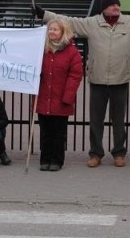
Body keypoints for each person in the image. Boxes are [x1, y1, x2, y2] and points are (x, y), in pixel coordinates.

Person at [35, 0, 130, 168]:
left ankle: (119, 152)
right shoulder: (92, 24)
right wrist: (45, 15)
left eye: (118, 5)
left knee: (119, 119)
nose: (116, 7)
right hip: (97, 79)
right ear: (104, 8)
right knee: (96, 120)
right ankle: (95, 153)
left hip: (120, 79)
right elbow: (69, 21)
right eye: (113, 5)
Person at [35, 18, 83, 171]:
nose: (52, 32)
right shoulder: (41, 49)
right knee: (45, 131)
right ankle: (45, 158)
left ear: (63, 32)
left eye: (55, 30)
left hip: (61, 99)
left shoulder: (72, 52)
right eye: (50, 29)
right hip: (43, 97)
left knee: (58, 133)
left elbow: (75, 75)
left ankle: (56, 160)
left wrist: (68, 97)